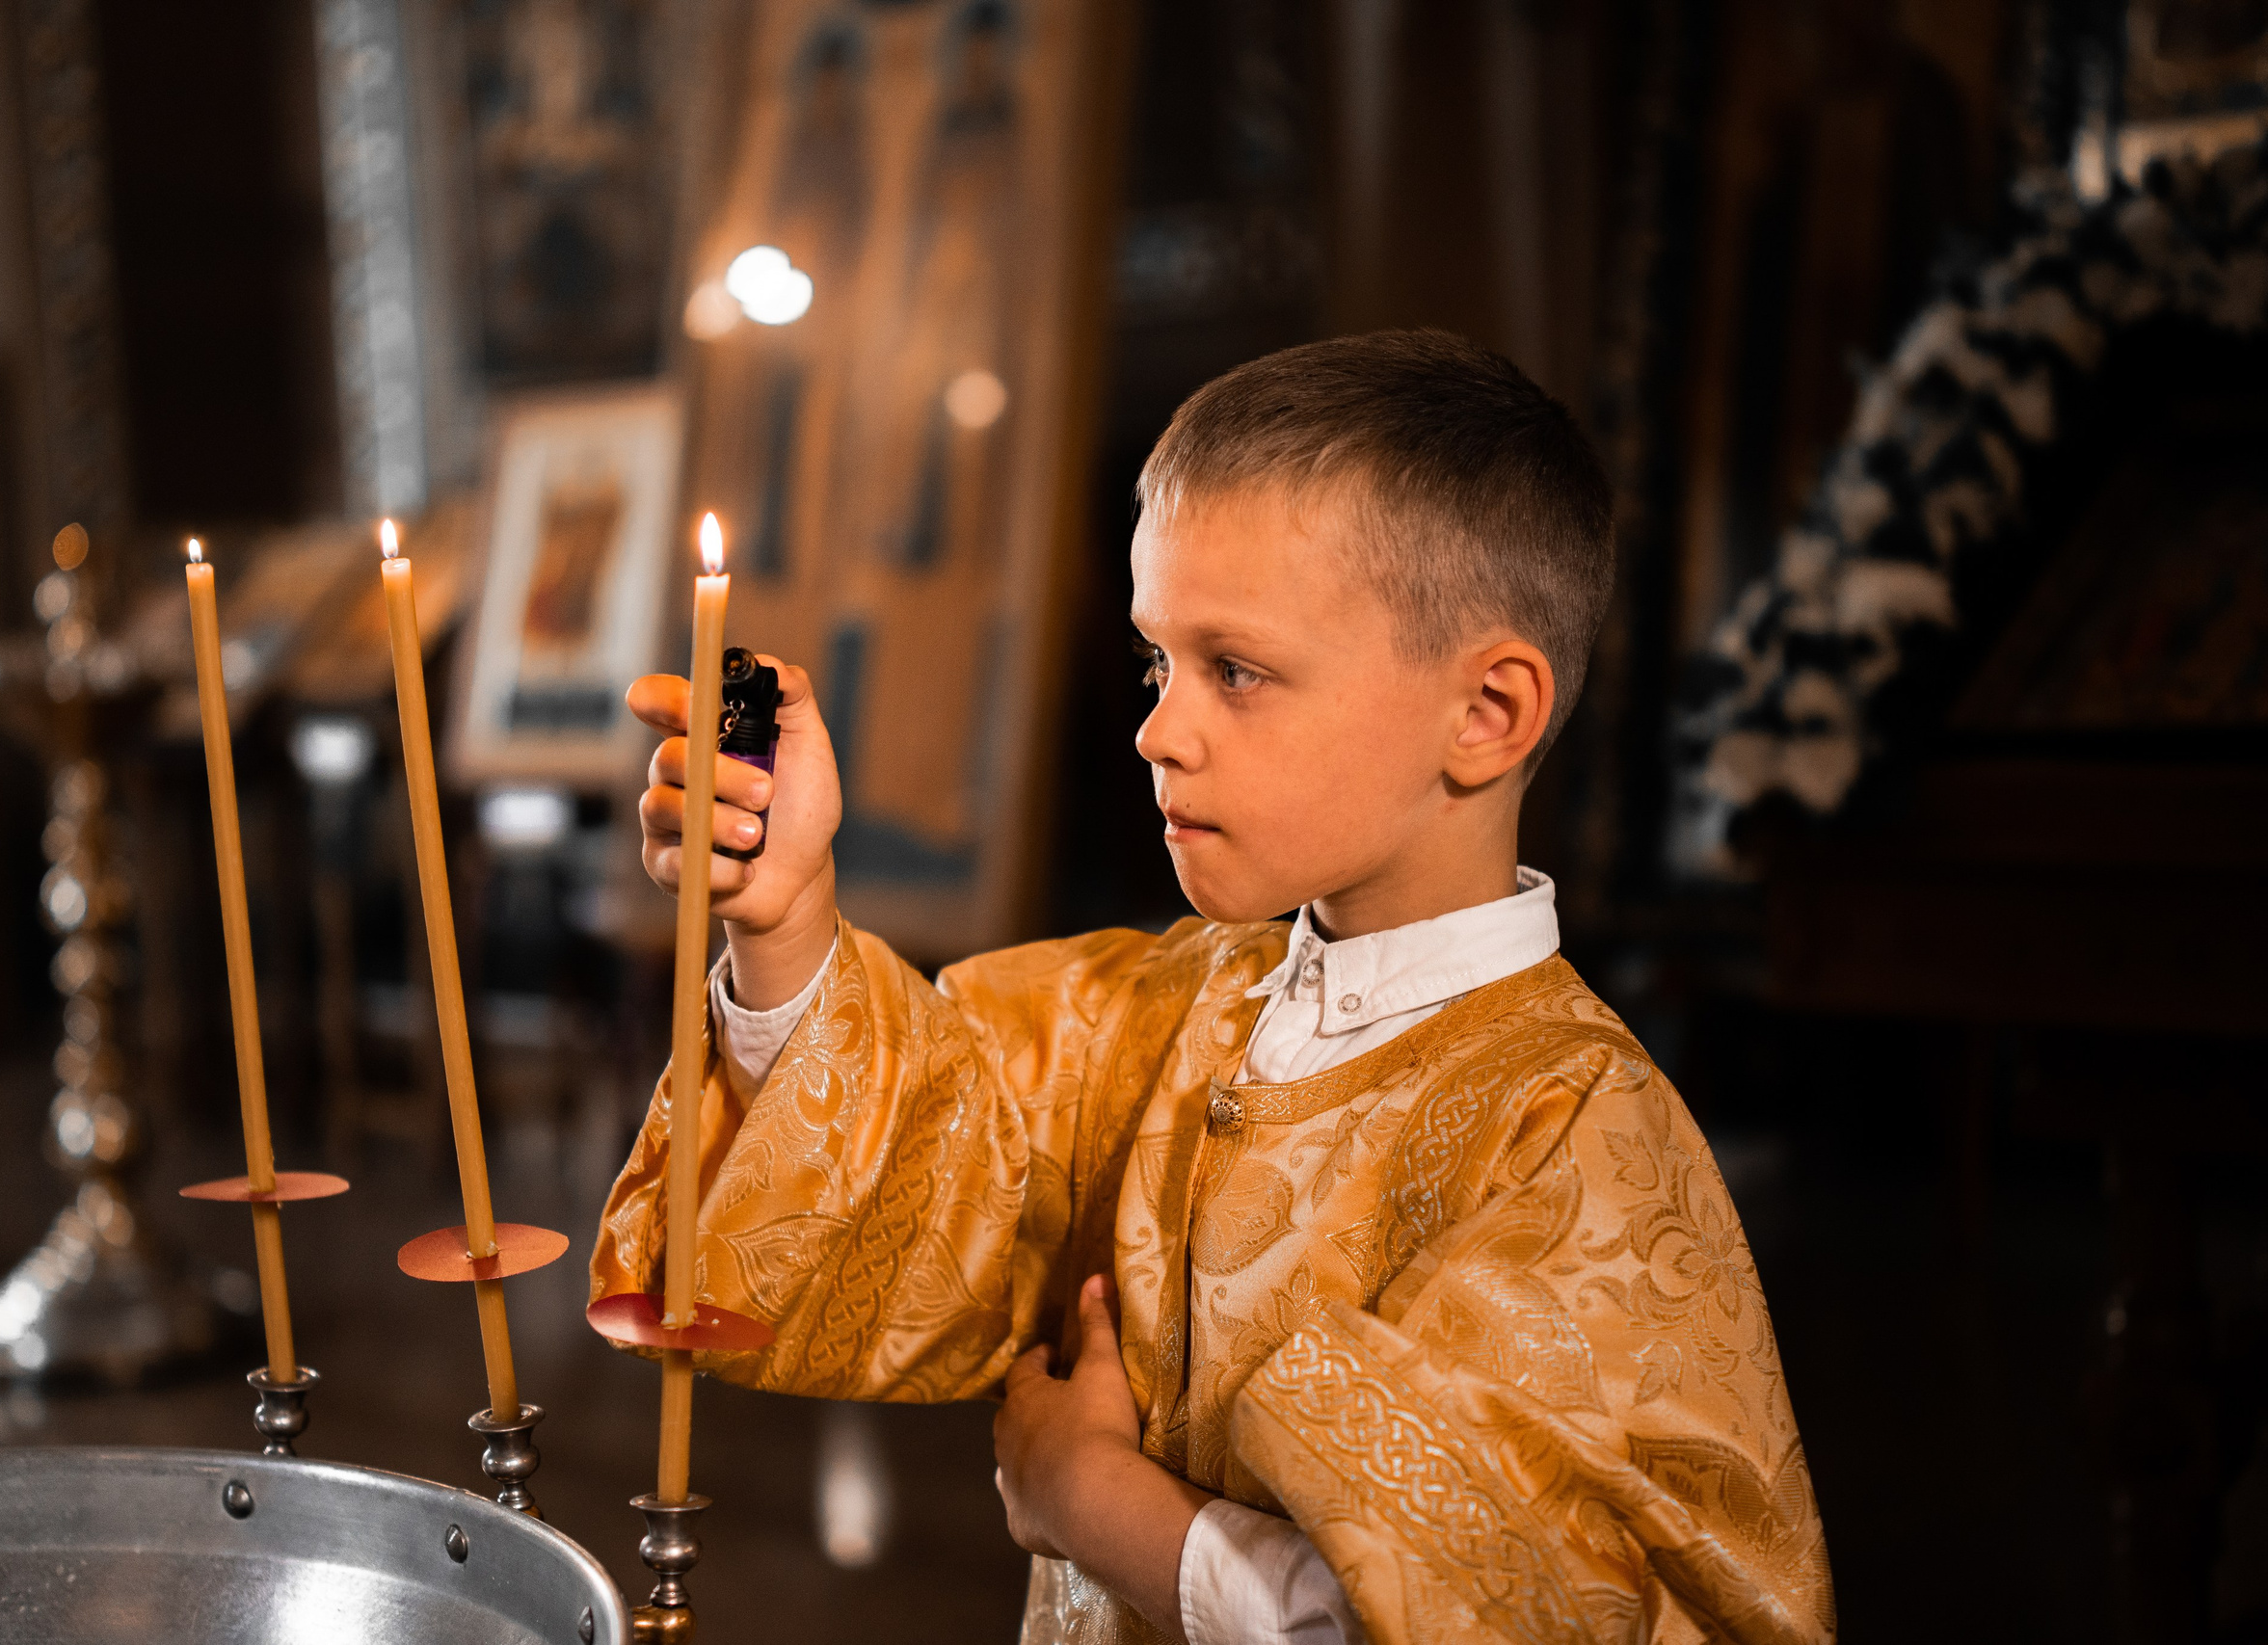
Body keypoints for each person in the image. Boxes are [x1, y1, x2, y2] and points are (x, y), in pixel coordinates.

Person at [591, 331, 1836, 1645]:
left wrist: (1098, 1503)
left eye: (1235, 671)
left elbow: (1537, 1617)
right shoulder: (1151, 1009)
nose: (1158, 729)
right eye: (1155, 663)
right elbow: (932, 1173)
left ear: (1486, 713)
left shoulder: (1573, 1148)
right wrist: (784, 913)